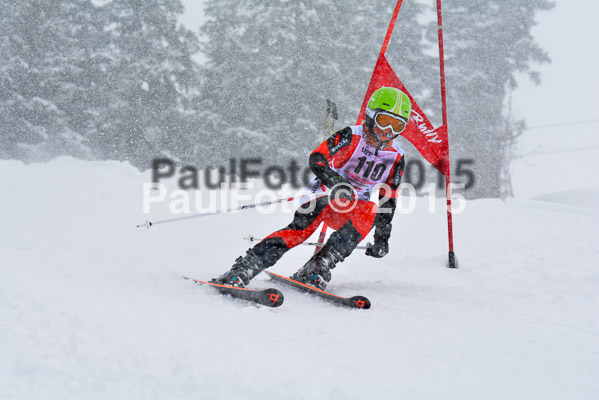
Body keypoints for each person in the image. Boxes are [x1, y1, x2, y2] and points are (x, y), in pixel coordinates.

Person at [212, 86, 411, 290]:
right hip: (323, 194)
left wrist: (382, 237)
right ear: (370, 115)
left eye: (397, 126)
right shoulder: (352, 136)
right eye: (384, 121)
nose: (388, 131)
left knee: (370, 210)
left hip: (351, 209)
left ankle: (318, 265)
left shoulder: (396, 156)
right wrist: (336, 182)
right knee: (300, 232)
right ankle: (244, 268)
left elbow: (388, 198)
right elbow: (317, 159)